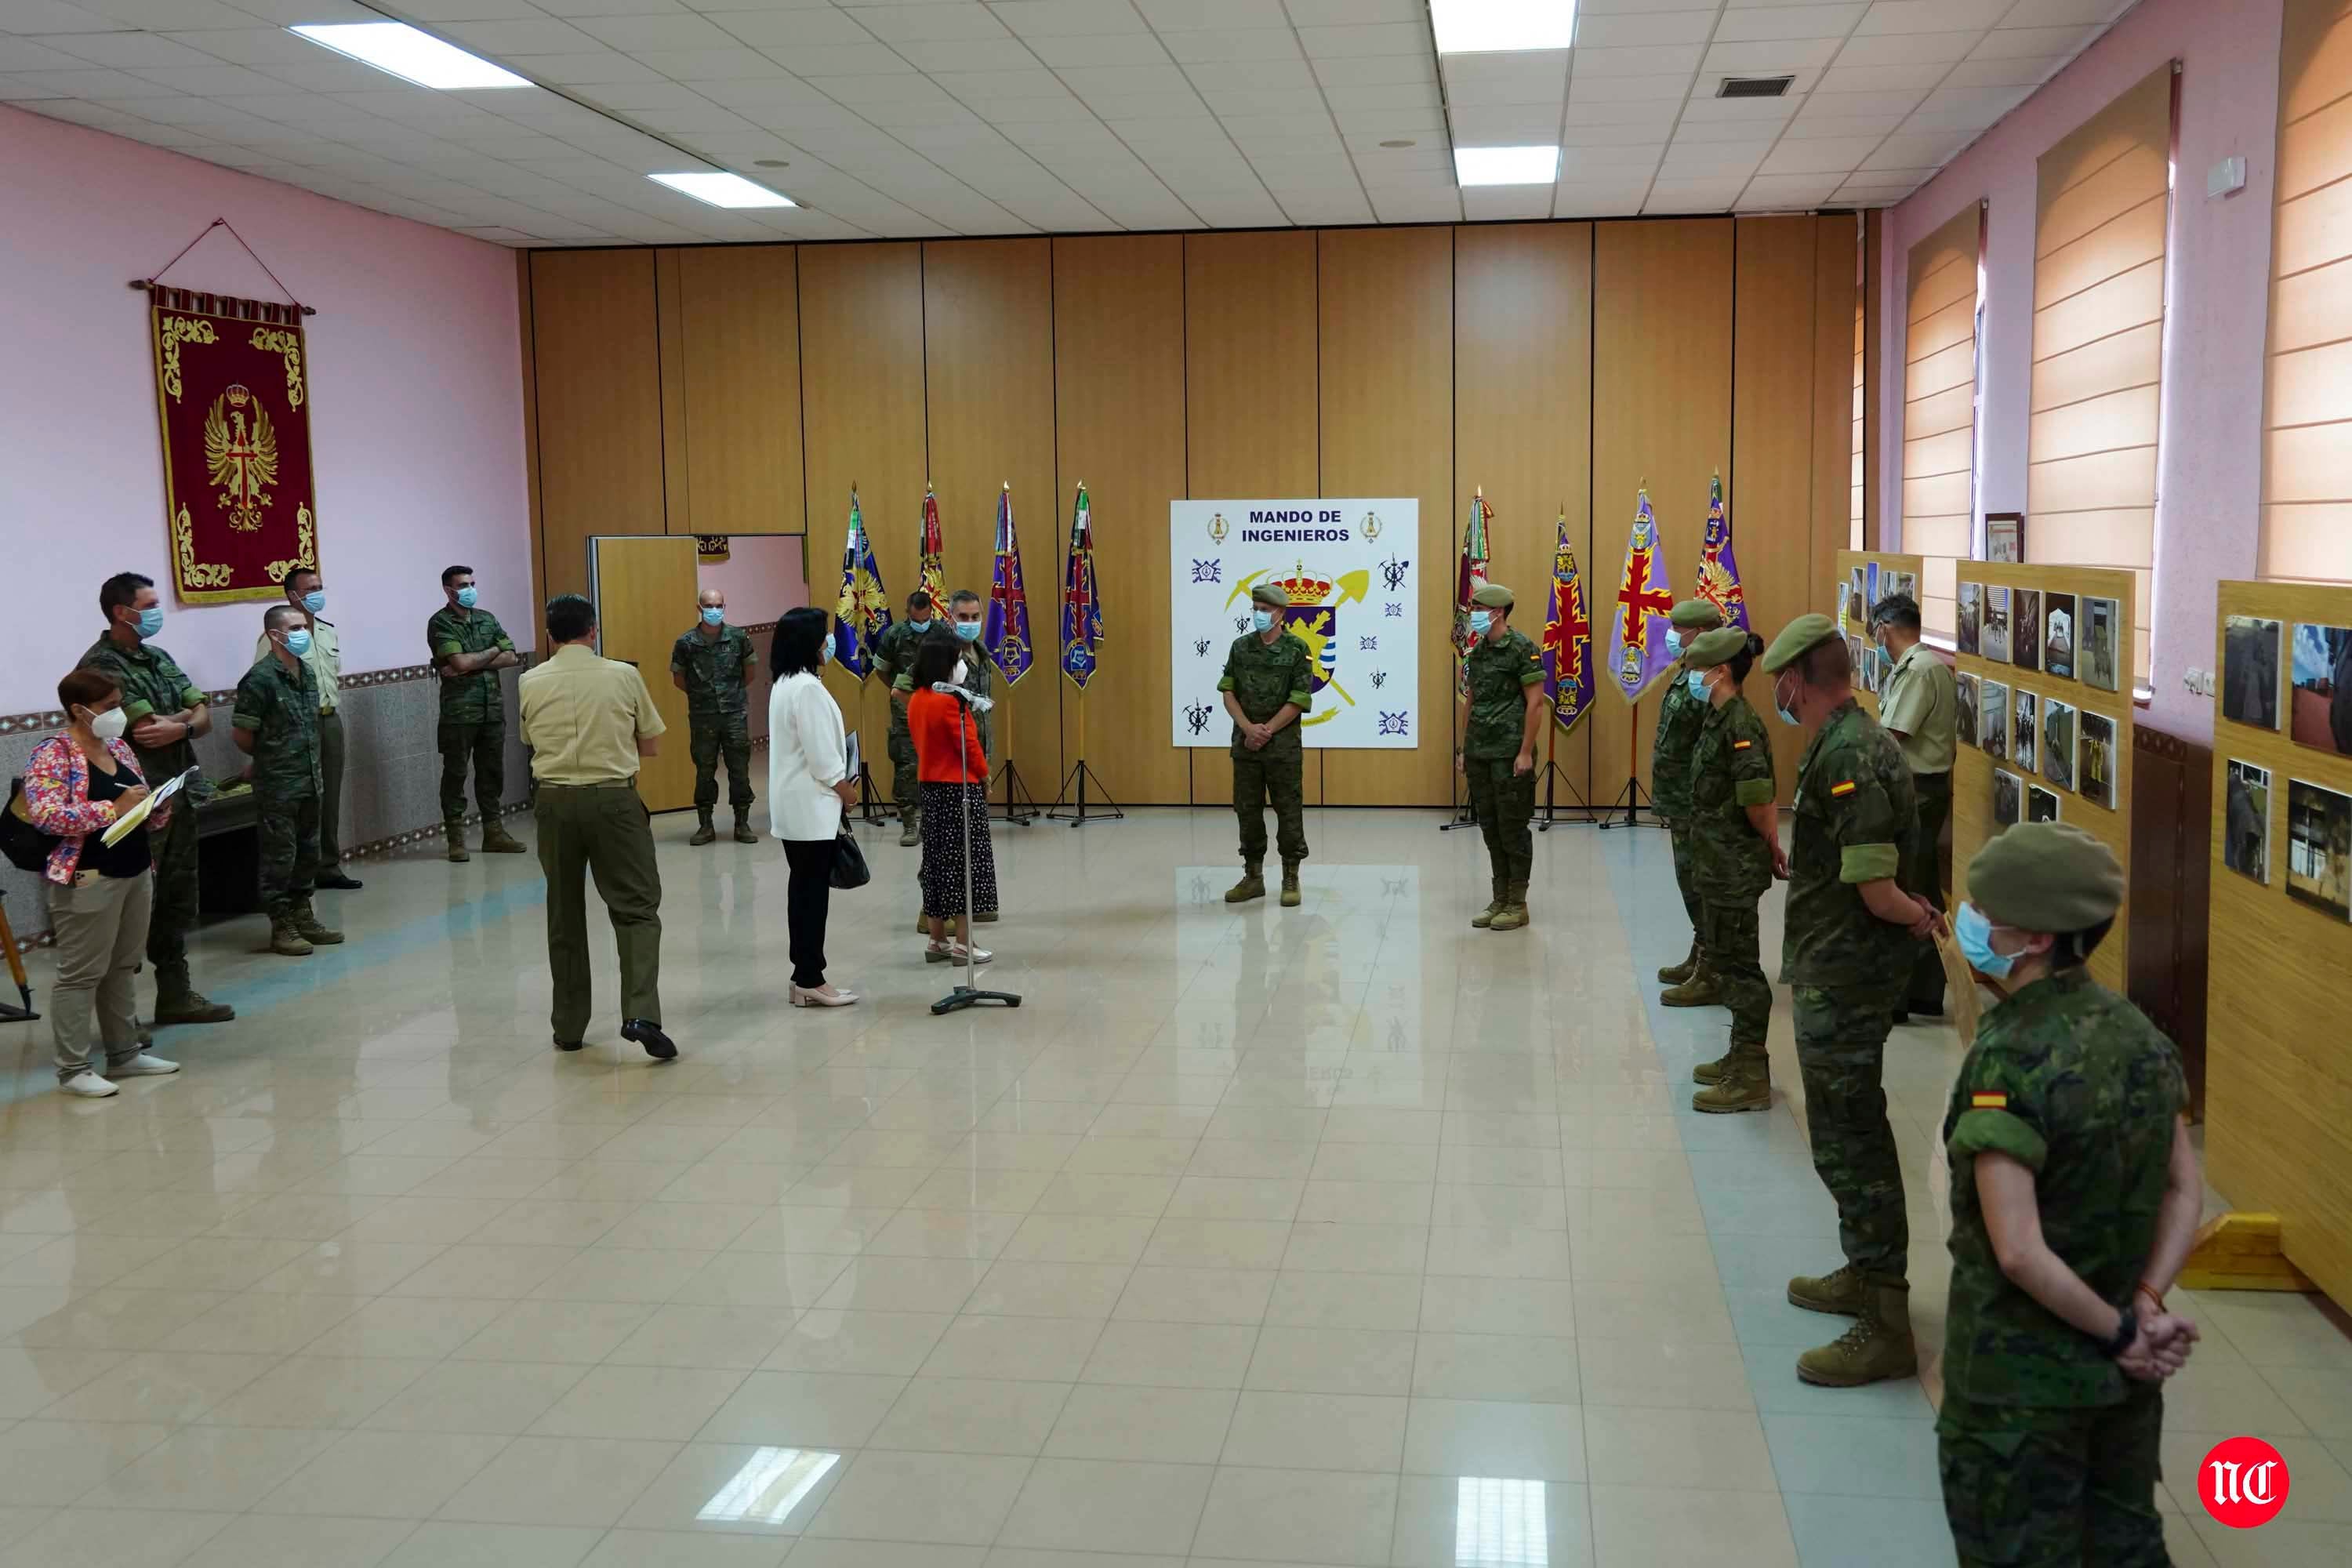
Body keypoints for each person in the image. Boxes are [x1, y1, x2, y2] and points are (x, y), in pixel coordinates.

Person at [1938, 822, 2204, 1566]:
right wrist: (2146, 1306)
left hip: (2018, 1395)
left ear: (2035, 937)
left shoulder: (2008, 1056)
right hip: (2121, 1394)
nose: (1977, 923)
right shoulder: (2141, 1039)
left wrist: (2117, 1331)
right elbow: (2187, 1189)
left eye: (1991, 913)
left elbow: (2019, 1251)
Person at [1762, 612, 1942, 1386]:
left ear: (1799, 679)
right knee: (1839, 1128)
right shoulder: (1843, 743)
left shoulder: (1853, 756)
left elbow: (1875, 888)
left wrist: (1921, 916)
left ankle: (1888, 1317)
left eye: (1783, 680)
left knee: (1853, 1133)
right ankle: (1865, 1270)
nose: (1779, 692)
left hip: (1850, 975)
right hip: (1833, 967)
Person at [519, 593, 676, 1061]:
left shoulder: (529, 680)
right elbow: (649, 745)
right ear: (594, 630)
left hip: (554, 801)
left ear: (550, 635)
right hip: (614, 801)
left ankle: (568, 1026)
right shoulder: (623, 676)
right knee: (636, 908)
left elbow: (529, 738)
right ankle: (641, 1013)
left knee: (563, 912)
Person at [81, 571, 233, 1026]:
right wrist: (187, 717)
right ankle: (120, 1020)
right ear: (121, 612)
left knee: (175, 898)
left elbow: (202, 717)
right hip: (136, 805)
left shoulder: (158, 657)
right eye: (148, 606)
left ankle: (175, 994)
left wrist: (184, 721)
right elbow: (147, 732)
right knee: (130, 910)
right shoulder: (101, 667)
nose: (156, 613)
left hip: (178, 793)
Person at [24, 667, 180, 1097]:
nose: (119, 713)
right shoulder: (53, 753)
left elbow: (137, 798)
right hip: (87, 877)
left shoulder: (119, 748)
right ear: (79, 710)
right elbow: (47, 815)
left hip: (134, 870)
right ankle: (73, 1069)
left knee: (122, 966)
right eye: (110, 706)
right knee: (80, 973)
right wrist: (111, 808)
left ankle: (125, 1053)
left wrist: (156, 806)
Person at [1681, 628, 1784, 1113]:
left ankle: (1750, 1074)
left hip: (1735, 867)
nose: (1692, 674)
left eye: (1698, 668)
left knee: (1741, 970)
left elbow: (1758, 799)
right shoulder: (1718, 717)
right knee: (1728, 960)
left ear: (1720, 671)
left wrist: (1771, 844)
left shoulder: (1740, 725)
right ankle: (1740, 1057)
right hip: (1717, 862)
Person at [233, 607, 343, 957]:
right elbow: (243, 734)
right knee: (281, 857)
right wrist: (270, 757)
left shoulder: (307, 672)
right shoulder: (260, 679)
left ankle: (303, 915)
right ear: (275, 635)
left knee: (308, 852)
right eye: (295, 627)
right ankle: (282, 926)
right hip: (279, 782)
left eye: (304, 627)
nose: (303, 633)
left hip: (310, 778)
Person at [768, 608, 861, 1007]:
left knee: (802, 890)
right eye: (824, 636)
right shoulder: (806, 688)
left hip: (795, 809)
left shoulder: (785, 683)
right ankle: (811, 977)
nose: (829, 642)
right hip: (811, 807)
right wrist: (847, 790)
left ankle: (803, 974)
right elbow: (823, 758)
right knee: (811, 897)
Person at [1871, 593, 1958, 1023]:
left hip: (1919, 791)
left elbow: (1893, 735)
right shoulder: (1923, 667)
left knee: (1908, 889)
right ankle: (1923, 990)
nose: (1876, 640)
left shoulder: (1920, 671)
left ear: (1885, 628)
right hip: (1922, 790)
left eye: (1876, 631)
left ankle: (1903, 995)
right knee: (1919, 883)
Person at [898, 589, 998, 930]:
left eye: (975, 617)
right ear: (951, 617)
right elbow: (903, 689)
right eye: (963, 617)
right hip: (945, 763)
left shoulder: (983, 655)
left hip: (974, 753)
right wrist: (927, 736)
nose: (970, 623)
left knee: (966, 842)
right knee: (943, 844)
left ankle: (967, 906)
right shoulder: (940, 653)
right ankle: (932, 914)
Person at [256, 567, 361, 891]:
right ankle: (301, 872)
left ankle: (328, 865)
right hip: (296, 726)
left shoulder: (328, 632)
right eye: (310, 588)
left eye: (319, 586)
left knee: (330, 796)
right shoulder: (273, 638)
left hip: (329, 721)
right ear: (293, 595)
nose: (318, 593)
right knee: (304, 800)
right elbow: (268, 684)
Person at [1458, 583, 1547, 931]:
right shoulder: (1477, 653)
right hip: (1480, 751)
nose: (1473, 615)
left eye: (1478, 609)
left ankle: (1517, 902)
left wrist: (1525, 751)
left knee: (1513, 828)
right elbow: (1472, 701)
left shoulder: (1522, 648)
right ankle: (1499, 897)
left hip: (1510, 754)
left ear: (1497, 612)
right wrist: (1465, 749)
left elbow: (1536, 703)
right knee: (1490, 828)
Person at [1220, 582, 1313, 907]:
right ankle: (1253, 876)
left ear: (1281, 613)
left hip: (1282, 747)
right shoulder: (1240, 647)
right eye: (1255, 609)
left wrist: (1266, 731)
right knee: (1247, 810)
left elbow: (1299, 699)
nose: (1259, 615)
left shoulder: (1298, 649)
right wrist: (1248, 729)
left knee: (1288, 810)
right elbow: (1228, 691)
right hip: (1246, 745)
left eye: (1265, 610)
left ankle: (1291, 875)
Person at [1653, 599, 1728, 996]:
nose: (1672, 636)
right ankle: (1701, 951)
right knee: (1690, 881)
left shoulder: (1710, 679)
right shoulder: (1690, 673)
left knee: (1700, 882)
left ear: (1699, 633)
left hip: (1698, 803)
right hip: (1681, 801)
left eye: (1678, 629)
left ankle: (1713, 968)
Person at [428, 564, 524, 863]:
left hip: (492, 709)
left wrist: (476, 660)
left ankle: (494, 833)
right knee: (456, 774)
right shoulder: (440, 622)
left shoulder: (486, 618)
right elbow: (459, 664)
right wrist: (491, 652)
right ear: (448, 590)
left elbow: (511, 656)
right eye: (463, 585)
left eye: (472, 583)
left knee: (492, 772)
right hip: (459, 713)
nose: (470, 589)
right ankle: (456, 839)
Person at [670, 586, 760, 846]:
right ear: (699, 609)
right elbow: (678, 678)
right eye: (709, 606)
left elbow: (750, 672)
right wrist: (703, 696)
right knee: (704, 770)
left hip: (734, 714)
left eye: (719, 605)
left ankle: (742, 823)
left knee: (739, 770)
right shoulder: (686, 643)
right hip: (703, 717)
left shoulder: (738, 637)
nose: (715, 610)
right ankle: (705, 825)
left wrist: (732, 694)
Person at [873, 590, 938, 847]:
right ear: (907, 613)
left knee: (936, 767)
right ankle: (910, 825)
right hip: (905, 713)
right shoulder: (894, 635)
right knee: (907, 767)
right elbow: (881, 670)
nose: (921, 624)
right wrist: (899, 693)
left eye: (925, 619)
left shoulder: (942, 633)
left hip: (936, 710)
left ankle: (932, 824)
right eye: (916, 619)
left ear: (931, 613)